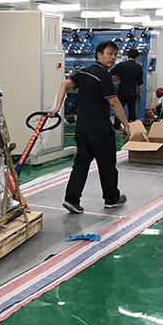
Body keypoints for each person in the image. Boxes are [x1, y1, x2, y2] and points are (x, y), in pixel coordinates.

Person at [49, 41, 130, 214]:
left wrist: (57, 107)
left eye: (115, 54)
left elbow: (64, 84)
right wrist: (126, 124)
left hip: (82, 129)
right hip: (100, 130)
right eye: (109, 53)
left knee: (81, 164)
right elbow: (114, 102)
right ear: (99, 55)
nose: (113, 58)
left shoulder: (84, 72)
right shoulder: (103, 75)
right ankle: (112, 198)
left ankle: (71, 199)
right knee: (107, 164)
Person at [110, 49, 143, 127]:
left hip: (122, 92)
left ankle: (117, 125)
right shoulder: (138, 67)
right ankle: (132, 126)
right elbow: (140, 83)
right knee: (132, 110)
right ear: (136, 57)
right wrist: (139, 94)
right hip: (132, 93)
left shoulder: (121, 65)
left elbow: (111, 73)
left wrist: (117, 80)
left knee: (119, 109)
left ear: (128, 56)